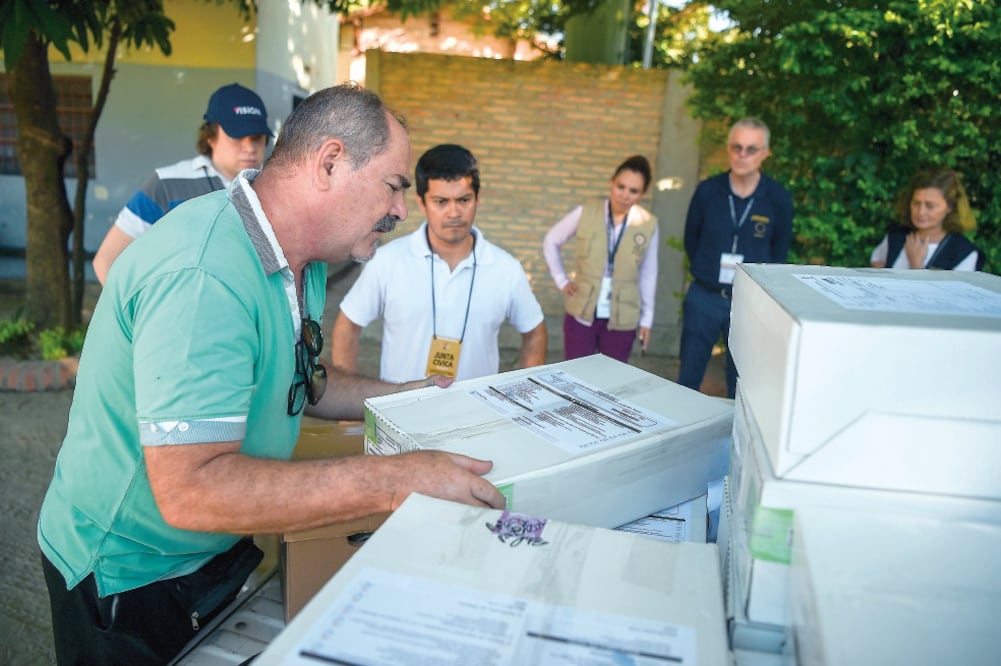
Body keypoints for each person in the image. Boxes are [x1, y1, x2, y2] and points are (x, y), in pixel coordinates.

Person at [37, 84, 506, 666]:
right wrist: (393, 481)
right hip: (128, 575)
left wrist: (406, 397)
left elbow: (303, 378)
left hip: (204, 558)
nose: (399, 212)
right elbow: (191, 490)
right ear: (331, 162)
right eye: (393, 186)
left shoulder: (299, 258)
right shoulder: (205, 274)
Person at [331, 143, 548, 383]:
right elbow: (348, 324)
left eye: (464, 200)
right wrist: (345, 415)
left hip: (475, 415)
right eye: (441, 202)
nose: (454, 213)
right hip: (403, 412)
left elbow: (535, 332)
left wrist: (525, 396)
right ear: (421, 202)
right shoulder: (388, 261)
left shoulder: (506, 268)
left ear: (477, 198)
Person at [91, 83, 272, 284]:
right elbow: (107, 260)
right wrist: (136, 314)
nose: (249, 147)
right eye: (237, 135)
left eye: (256, 137)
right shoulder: (167, 185)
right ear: (211, 137)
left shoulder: (275, 190)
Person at [677, 117, 793, 399]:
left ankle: (734, 442)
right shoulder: (708, 191)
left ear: (765, 152)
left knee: (741, 383)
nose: (742, 155)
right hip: (704, 296)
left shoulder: (777, 197)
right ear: (728, 149)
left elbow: (779, 251)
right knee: (687, 379)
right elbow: (691, 239)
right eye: (736, 147)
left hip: (749, 300)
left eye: (751, 149)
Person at [542, 155, 659, 364]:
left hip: (623, 315)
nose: (624, 195)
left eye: (633, 191)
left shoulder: (648, 224)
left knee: (610, 379)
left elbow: (648, 274)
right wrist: (561, 279)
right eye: (620, 186)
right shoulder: (585, 212)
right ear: (611, 183)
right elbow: (551, 240)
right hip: (582, 310)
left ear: (643, 194)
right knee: (576, 375)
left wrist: (646, 319)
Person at [870, 168, 983, 271]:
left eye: (930, 206)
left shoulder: (964, 253)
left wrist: (916, 265)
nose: (921, 212)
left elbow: (955, 293)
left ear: (949, 207)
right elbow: (876, 263)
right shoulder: (895, 237)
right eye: (916, 203)